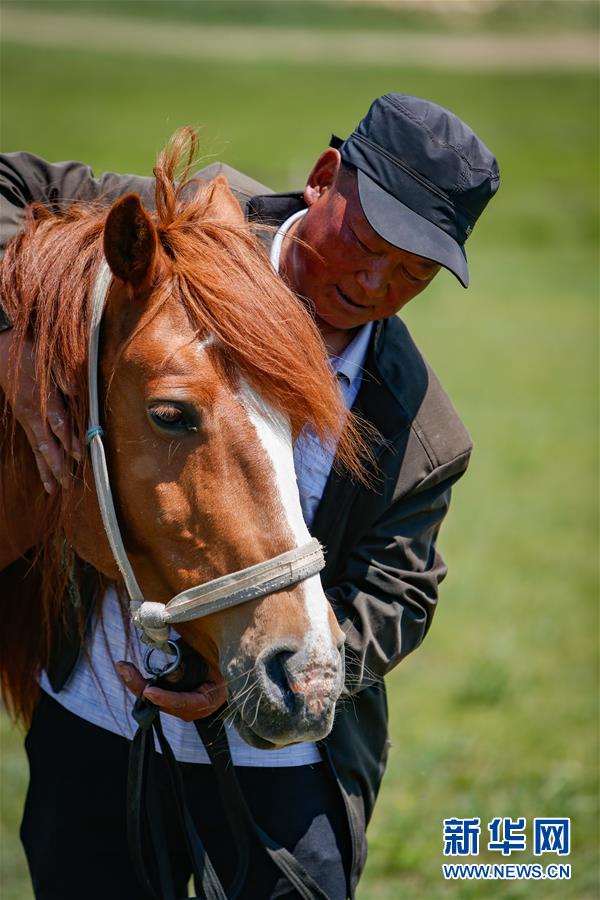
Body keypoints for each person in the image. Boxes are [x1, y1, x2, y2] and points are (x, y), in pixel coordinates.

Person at [0, 94, 499, 899]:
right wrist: (8, 338)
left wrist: (267, 672)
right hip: (100, 721)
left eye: (414, 274)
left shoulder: (420, 429)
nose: (374, 282)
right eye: (366, 242)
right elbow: (5, 184)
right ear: (324, 177)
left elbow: (399, 590)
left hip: (280, 761)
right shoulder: (190, 240)